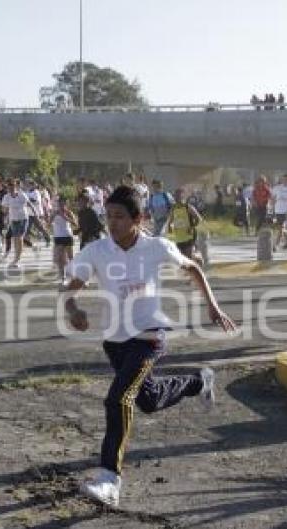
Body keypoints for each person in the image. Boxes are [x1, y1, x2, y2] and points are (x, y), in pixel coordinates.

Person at [62, 186, 236, 507]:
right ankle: (200, 381)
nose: (111, 223)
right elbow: (69, 288)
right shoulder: (97, 251)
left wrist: (212, 306)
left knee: (118, 399)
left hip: (150, 336)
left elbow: (193, 269)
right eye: (108, 216)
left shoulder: (157, 247)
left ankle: (108, 480)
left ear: (138, 219)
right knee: (149, 401)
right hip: (115, 341)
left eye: (119, 217)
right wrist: (72, 310)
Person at [167, 188, 203, 265]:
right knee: (182, 256)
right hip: (178, 236)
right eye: (175, 196)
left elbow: (198, 219)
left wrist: (191, 227)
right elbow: (171, 220)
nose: (177, 198)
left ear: (183, 196)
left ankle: (195, 261)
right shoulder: (173, 208)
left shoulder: (188, 207)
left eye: (179, 196)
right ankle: (196, 257)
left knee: (188, 256)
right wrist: (170, 227)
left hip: (189, 235)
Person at [1, 179, 31, 267]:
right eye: (9, 187)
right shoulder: (6, 197)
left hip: (23, 218)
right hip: (13, 219)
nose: (10, 189)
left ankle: (17, 259)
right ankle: (17, 257)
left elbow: (28, 203)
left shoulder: (21, 194)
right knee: (15, 238)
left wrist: (37, 214)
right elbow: (4, 209)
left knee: (19, 238)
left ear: (15, 186)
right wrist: (5, 215)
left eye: (12, 187)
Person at [51, 196, 78, 285]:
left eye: (64, 203)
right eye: (60, 203)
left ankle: (74, 275)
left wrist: (65, 217)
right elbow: (48, 224)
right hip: (58, 237)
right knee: (60, 258)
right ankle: (63, 277)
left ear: (66, 204)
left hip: (67, 236)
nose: (62, 205)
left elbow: (75, 224)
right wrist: (51, 218)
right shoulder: (54, 212)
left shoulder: (69, 212)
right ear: (58, 204)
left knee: (70, 257)